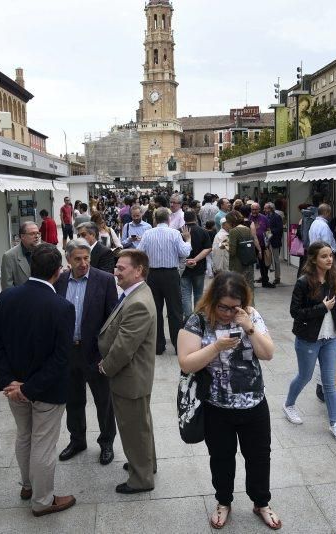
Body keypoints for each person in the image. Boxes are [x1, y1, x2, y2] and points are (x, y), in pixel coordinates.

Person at [177, 272, 280, 530]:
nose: (228, 312)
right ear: (213, 300)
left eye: (235, 307)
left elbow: (267, 354)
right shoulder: (197, 320)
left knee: (259, 457)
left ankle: (261, 502)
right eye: (223, 306)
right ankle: (223, 501)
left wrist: (249, 327)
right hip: (216, 406)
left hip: (254, 403)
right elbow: (186, 363)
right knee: (221, 458)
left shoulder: (250, 315)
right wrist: (215, 348)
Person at [0, 244, 77, 517]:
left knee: (24, 435)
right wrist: (29, 388)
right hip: (45, 391)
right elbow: (61, 358)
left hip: (14, 389)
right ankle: (42, 500)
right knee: (43, 443)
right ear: (57, 272)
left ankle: (28, 485)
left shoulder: (7, 297)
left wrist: (10, 383)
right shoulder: (62, 307)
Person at [97, 250, 158, 494]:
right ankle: (145, 464)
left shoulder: (138, 303)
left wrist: (105, 367)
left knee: (133, 429)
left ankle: (140, 479)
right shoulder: (137, 293)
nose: (116, 272)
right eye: (116, 267)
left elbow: (124, 348)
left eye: (121, 268)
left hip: (130, 378)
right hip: (135, 377)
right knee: (141, 425)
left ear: (138, 270)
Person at [54, 239, 119, 465]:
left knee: (104, 400)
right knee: (73, 400)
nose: (83, 263)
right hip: (69, 352)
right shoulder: (60, 281)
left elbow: (113, 319)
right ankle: (77, 440)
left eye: (86, 258)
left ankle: (107, 442)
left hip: (95, 352)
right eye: (77, 259)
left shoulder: (105, 280)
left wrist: (107, 354)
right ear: (68, 259)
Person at [284, 241, 336, 443]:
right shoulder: (304, 282)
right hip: (309, 338)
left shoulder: (335, 279)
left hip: (330, 337)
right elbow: (295, 312)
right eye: (324, 256)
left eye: (330, 255)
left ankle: (334, 424)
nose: (329, 259)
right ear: (313, 259)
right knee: (305, 376)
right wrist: (322, 308)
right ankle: (289, 405)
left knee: (330, 383)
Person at [137, 207, 192, 355]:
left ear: (155, 219)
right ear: (168, 219)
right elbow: (185, 252)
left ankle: (158, 346)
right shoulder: (175, 234)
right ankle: (177, 345)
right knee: (175, 311)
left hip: (153, 275)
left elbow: (139, 253)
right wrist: (188, 239)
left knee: (155, 310)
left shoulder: (148, 234)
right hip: (171, 275)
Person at [181, 210, 213, 319]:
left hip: (183, 268)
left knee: (185, 294)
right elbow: (208, 248)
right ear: (195, 218)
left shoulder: (178, 231)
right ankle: (197, 318)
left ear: (184, 219)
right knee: (199, 293)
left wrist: (187, 261)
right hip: (199, 268)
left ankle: (188, 318)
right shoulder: (203, 231)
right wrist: (195, 259)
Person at [1, 222, 41, 289]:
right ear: (22, 236)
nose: (36, 236)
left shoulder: (43, 252)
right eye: (32, 233)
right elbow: (7, 288)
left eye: (38, 233)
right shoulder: (9, 256)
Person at [227, 211, 256, 295]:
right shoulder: (247, 228)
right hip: (248, 262)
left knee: (237, 289)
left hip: (237, 264)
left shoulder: (233, 231)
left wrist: (225, 246)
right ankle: (250, 306)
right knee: (249, 287)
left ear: (231, 221)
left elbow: (232, 252)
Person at [249, 202, 274, 289]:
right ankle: (250, 283)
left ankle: (265, 281)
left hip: (263, 245)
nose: (254, 211)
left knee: (264, 265)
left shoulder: (264, 218)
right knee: (250, 265)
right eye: (252, 209)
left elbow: (268, 230)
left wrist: (268, 241)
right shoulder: (248, 218)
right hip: (251, 246)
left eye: (256, 209)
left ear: (259, 209)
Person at [264, 202, 284, 286]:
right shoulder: (266, 217)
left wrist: (270, 231)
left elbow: (280, 229)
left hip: (275, 241)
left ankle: (277, 277)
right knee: (267, 259)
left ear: (270, 209)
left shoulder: (277, 217)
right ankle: (265, 277)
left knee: (276, 260)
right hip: (268, 241)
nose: (264, 210)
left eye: (266, 208)